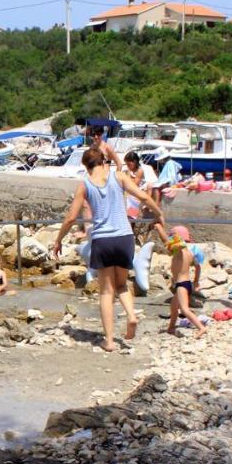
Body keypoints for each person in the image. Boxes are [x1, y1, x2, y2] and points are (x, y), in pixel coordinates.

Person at [52, 148, 165, 351]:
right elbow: (144, 198)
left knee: (106, 292)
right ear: (104, 162)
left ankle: (110, 341)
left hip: (103, 240)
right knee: (121, 285)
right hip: (124, 238)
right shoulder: (119, 176)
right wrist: (159, 213)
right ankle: (131, 315)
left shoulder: (84, 185)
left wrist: (58, 240)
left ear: (86, 166)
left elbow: (70, 218)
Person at [163, 225, 207, 339]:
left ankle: (201, 327)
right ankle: (171, 327)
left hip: (181, 285)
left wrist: (159, 228)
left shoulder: (180, 252)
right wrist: (196, 281)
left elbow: (166, 241)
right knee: (173, 307)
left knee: (184, 309)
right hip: (184, 284)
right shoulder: (190, 253)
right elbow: (198, 267)